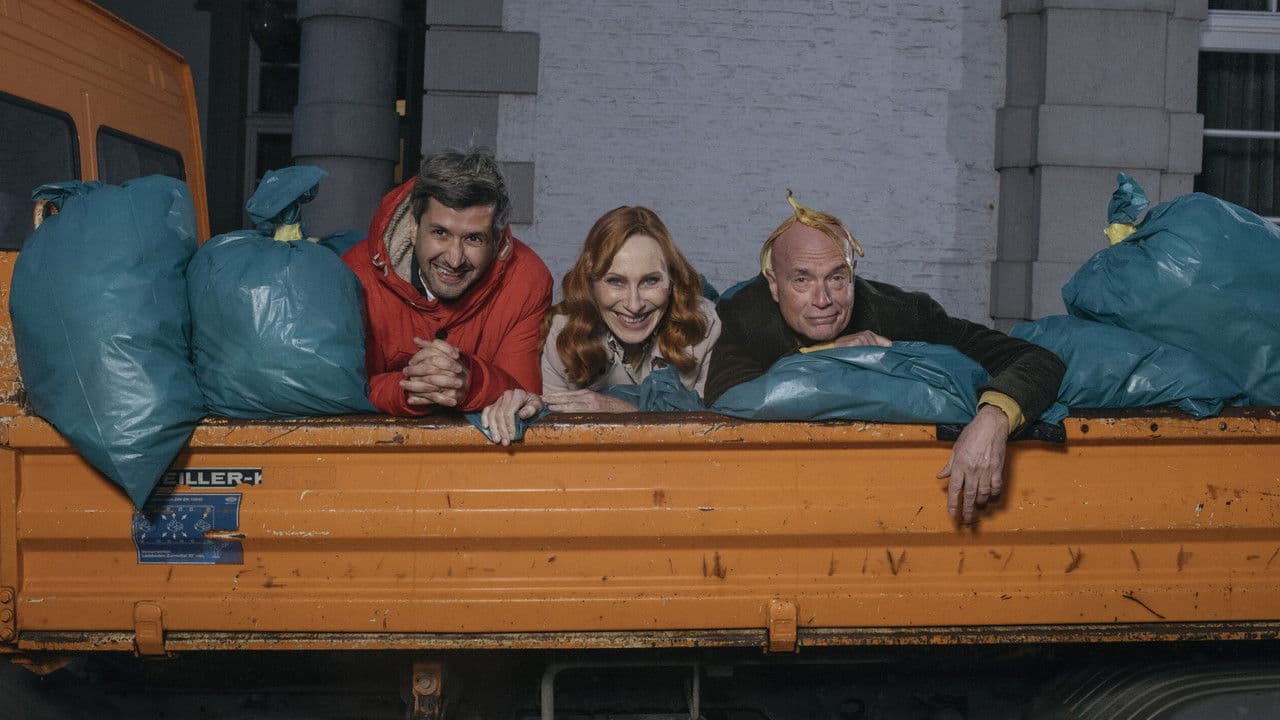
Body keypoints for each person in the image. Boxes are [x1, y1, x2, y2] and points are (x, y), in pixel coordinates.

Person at [705, 192, 1065, 524]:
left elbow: (1037, 360)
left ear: (853, 274)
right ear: (772, 283)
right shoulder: (744, 316)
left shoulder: (903, 313)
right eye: (802, 280)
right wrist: (834, 354)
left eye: (837, 278)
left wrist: (993, 420)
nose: (823, 300)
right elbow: (728, 396)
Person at [480, 206, 721, 444]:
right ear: (590, 283)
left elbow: (715, 436)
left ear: (672, 281)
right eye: (615, 281)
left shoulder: (706, 326)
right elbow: (552, 440)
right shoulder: (562, 333)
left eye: (650, 281)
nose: (634, 305)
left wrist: (620, 410)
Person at [344, 151, 552, 416]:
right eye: (440, 233)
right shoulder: (354, 273)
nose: (454, 260)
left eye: (474, 239)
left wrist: (471, 381)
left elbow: (524, 397)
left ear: (496, 239)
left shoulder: (527, 278)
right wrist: (409, 389)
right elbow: (341, 391)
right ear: (413, 227)